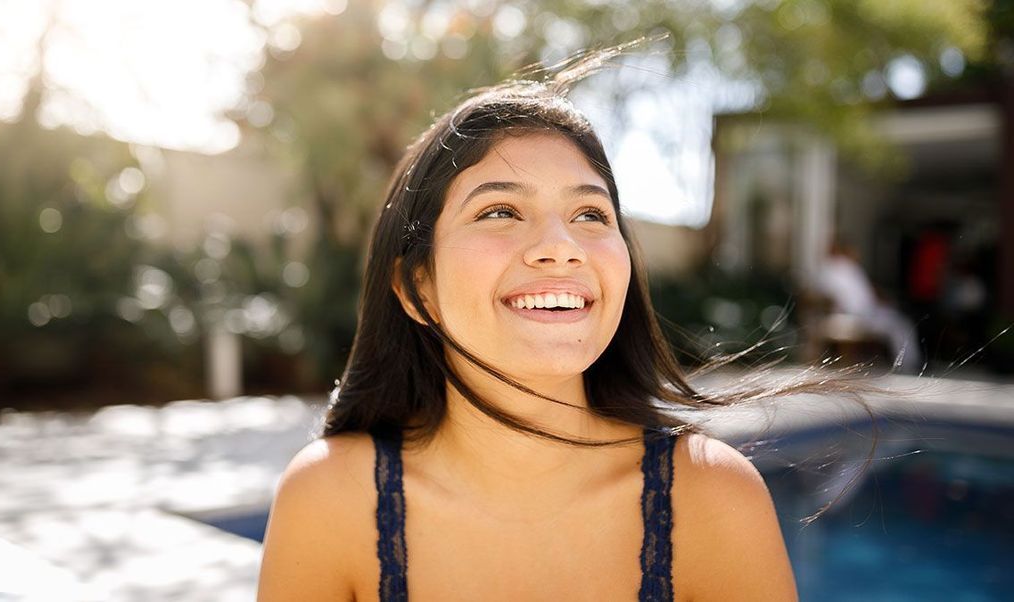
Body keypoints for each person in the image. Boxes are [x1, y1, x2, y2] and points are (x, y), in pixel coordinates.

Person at [257, 56, 801, 601]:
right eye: (500, 211)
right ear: (416, 288)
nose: (561, 248)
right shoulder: (331, 502)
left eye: (590, 215)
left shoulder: (713, 498)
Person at [814, 241, 923, 374]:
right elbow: (840, 298)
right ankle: (908, 365)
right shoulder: (840, 269)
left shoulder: (846, 269)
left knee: (900, 323)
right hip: (858, 315)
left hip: (865, 312)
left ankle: (907, 363)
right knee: (900, 326)